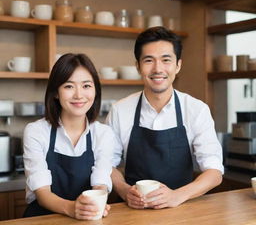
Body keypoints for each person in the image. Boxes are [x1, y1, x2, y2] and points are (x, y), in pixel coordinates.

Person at [106, 27, 224, 209]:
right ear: (137, 66)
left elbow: (214, 172)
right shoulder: (120, 110)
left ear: (178, 65)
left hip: (182, 207)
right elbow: (106, 165)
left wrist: (177, 196)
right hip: (133, 210)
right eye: (148, 60)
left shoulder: (196, 109)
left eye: (166, 60)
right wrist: (124, 190)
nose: (158, 69)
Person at [23, 53, 114, 220]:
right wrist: (72, 208)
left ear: (95, 90)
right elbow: (42, 193)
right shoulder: (36, 131)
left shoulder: (103, 134)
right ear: (56, 92)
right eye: (69, 86)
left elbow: (100, 184)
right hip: (42, 219)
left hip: (86, 219)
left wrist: (94, 205)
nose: (79, 95)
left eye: (86, 86)